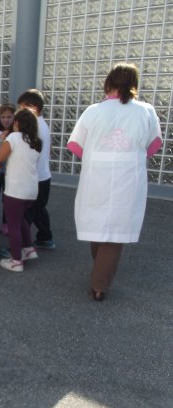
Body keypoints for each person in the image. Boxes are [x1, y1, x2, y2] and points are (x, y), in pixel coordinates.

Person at [67, 62, 162, 301]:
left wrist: (96, 158)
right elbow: (154, 144)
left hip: (96, 175)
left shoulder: (93, 111)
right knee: (115, 229)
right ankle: (100, 281)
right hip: (128, 176)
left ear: (108, 83)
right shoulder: (145, 111)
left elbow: (75, 145)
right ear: (134, 85)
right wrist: (129, 158)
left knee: (98, 225)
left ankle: (100, 277)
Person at [0, 108, 42, 272]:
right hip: (31, 190)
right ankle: (28, 250)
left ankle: (16, 261)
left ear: (17, 123)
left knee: (13, 225)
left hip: (15, 190)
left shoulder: (14, 137)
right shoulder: (36, 141)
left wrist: (2, 141)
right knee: (21, 220)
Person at [18, 89, 55, 250]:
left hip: (35, 177)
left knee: (27, 214)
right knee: (38, 209)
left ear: (33, 107)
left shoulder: (35, 126)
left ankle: (20, 246)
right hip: (43, 176)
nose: (20, 111)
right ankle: (45, 238)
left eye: (22, 107)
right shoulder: (42, 124)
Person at [0, 103, 16, 236]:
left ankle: (6, 223)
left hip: (10, 172)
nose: (6, 120)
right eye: (3, 117)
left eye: (9, 117)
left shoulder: (16, 133)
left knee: (7, 199)